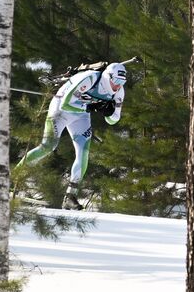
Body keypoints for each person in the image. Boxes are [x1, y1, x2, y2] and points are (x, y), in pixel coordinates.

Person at [19, 61, 130, 209]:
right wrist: (91, 106)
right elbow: (66, 103)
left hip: (81, 116)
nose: (117, 85)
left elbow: (113, 119)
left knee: (83, 153)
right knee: (48, 146)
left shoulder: (119, 91)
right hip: (60, 110)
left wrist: (107, 112)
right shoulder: (91, 78)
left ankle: (70, 196)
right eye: (116, 80)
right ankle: (11, 181)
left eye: (122, 82)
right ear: (107, 76)